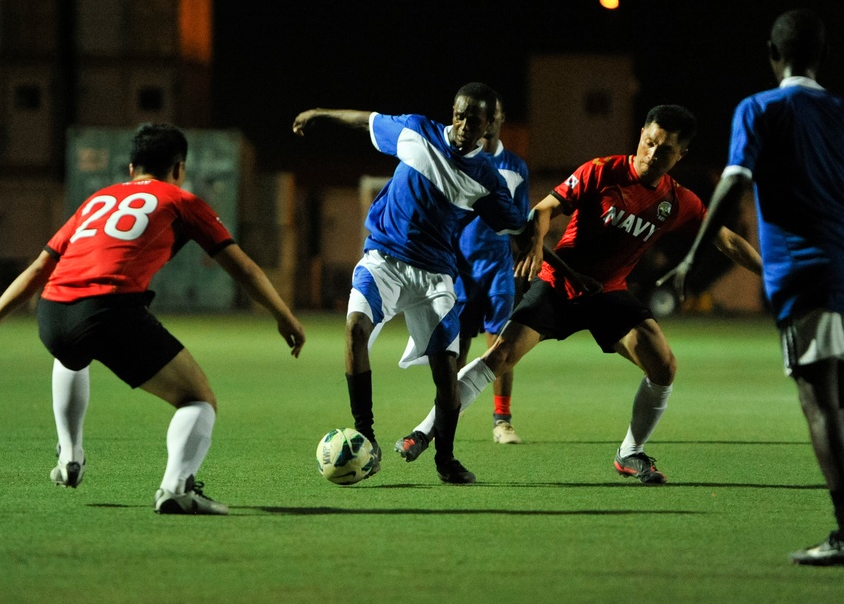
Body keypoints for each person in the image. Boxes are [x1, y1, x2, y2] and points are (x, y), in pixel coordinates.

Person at [659, 9, 844, 566]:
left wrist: (689, 260)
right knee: (842, 396)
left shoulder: (760, 108)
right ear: (820, 57)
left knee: (819, 400)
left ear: (773, 54)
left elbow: (733, 186)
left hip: (806, 270)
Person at [0, 123, 306, 515]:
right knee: (197, 399)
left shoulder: (96, 200)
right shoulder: (181, 201)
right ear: (179, 168)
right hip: (109, 310)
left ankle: (70, 453)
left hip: (52, 313)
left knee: (71, 353)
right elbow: (246, 271)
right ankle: (176, 488)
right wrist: (283, 315)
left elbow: (39, 267)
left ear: (131, 166)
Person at [396, 104, 763, 484]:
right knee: (499, 357)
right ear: (641, 135)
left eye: (665, 150)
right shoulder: (602, 171)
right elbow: (544, 209)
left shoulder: (676, 200)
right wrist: (536, 245)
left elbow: (726, 240)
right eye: (650, 142)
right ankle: (423, 431)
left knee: (664, 366)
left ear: (680, 155)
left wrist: (771, 276)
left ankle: (630, 453)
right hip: (559, 285)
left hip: (608, 295)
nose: (653, 154)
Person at [291, 82, 527, 484]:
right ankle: (365, 433)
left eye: (476, 118)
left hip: (434, 275)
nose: (466, 123)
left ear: (489, 125)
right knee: (354, 330)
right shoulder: (416, 130)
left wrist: (534, 237)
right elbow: (366, 119)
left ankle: (446, 459)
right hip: (383, 258)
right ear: (452, 111)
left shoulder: (487, 175)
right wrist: (320, 113)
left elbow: (513, 222)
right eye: (461, 113)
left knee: (444, 371)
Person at [395, 97, 529, 456]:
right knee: (454, 350)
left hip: (498, 269)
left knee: (501, 347)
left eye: (494, 118)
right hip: (460, 265)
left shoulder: (514, 166)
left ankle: (502, 420)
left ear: (495, 121)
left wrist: (528, 255)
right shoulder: (458, 158)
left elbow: (521, 223)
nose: (489, 124)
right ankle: (443, 422)